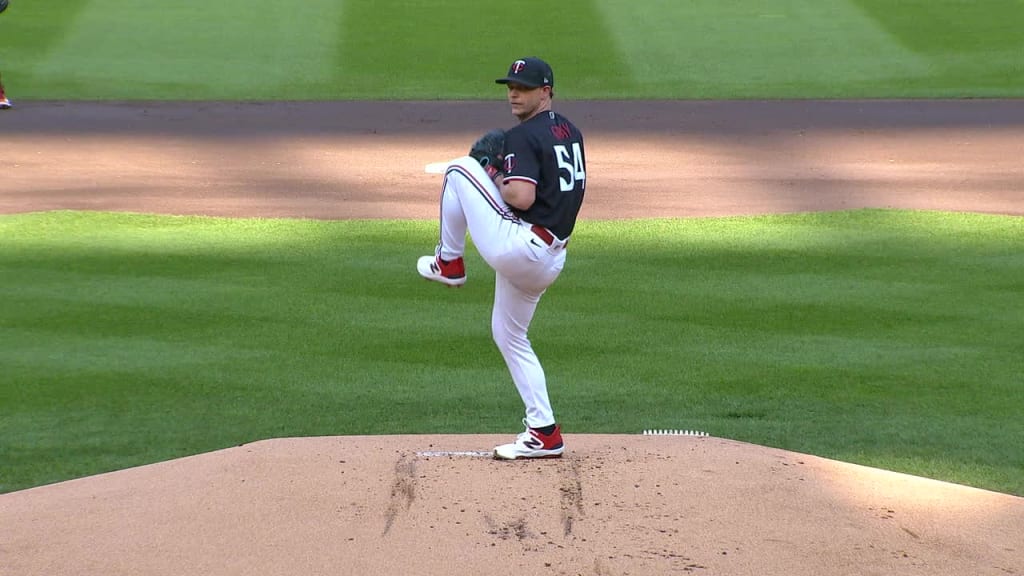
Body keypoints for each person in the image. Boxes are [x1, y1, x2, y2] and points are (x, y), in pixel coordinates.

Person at [416, 57, 587, 460]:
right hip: (550, 256)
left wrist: (493, 175)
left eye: (524, 87)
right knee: (509, 335)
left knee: (460, 169)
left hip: (522, 249)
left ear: (546, 91)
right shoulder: (571, 132)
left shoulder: (524, 136)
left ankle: (449, 262)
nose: (514, 92)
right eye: (511, 85)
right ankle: (544, 432)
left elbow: (522, 196)